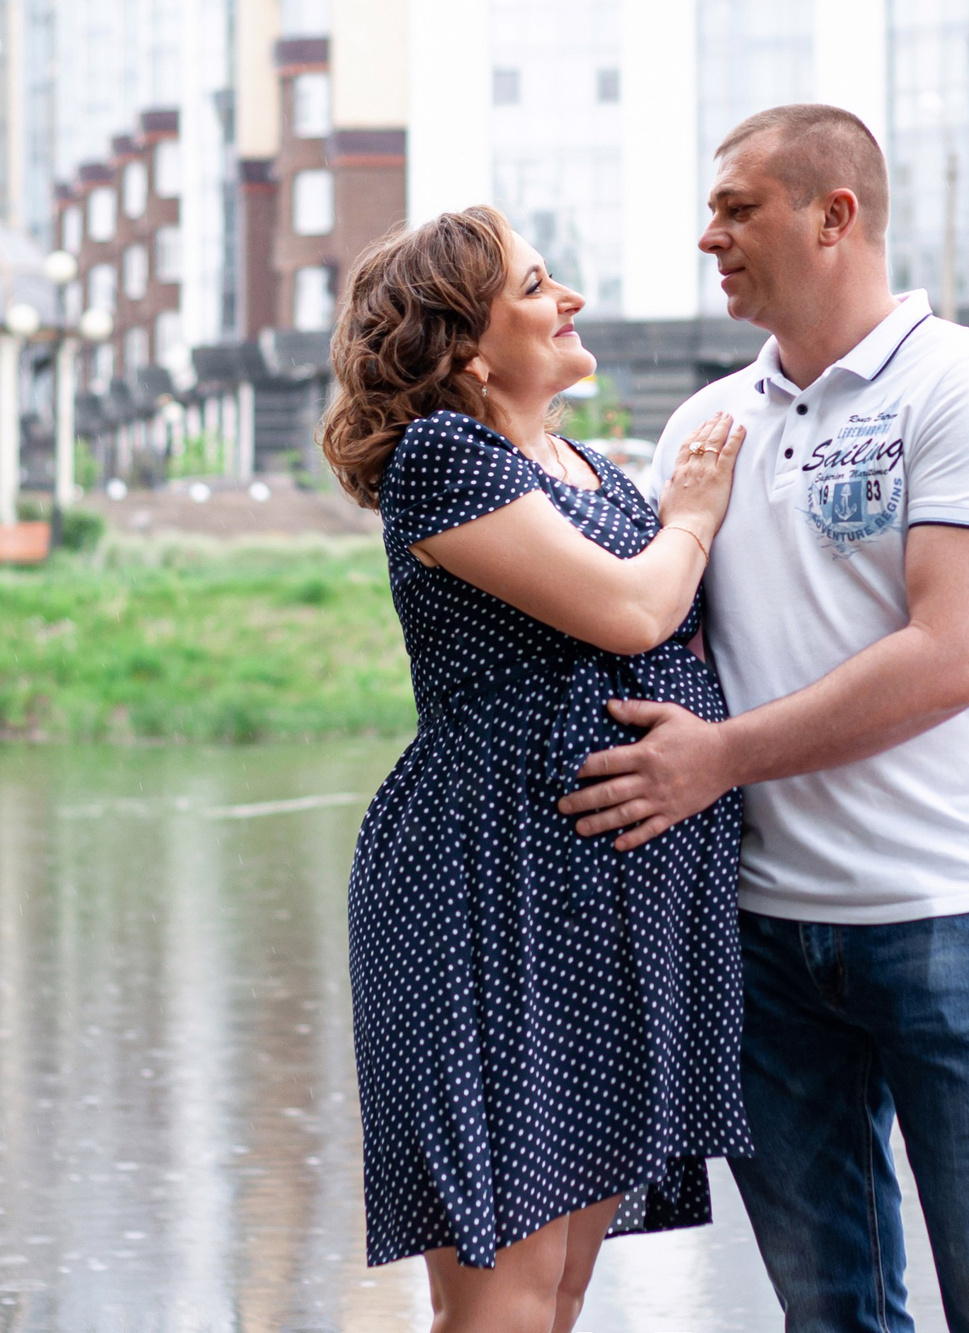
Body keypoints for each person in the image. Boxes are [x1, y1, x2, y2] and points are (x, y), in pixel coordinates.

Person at [561, 104, 969, 1333]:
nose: (709, 238)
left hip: (952, 916)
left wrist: (717, 760)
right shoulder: (704, 429)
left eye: (737, 210)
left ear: (833, 216)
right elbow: (652, 633)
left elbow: (950, 658)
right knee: (830, 1314)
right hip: (761, 937)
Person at [320, 204, 753, 1333]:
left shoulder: (588, 468)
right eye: (535, 286)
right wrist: (693, 517)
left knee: (556, 1291)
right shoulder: (442, 459)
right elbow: (634, 610)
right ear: (467, 348)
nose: (570, 300)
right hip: (488, 895)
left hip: (602, 910)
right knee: (503, 1297)